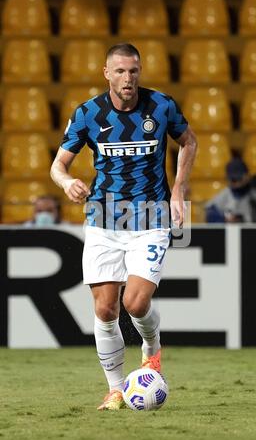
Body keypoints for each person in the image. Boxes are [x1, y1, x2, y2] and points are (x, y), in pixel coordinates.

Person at [50, 43, 197, 410]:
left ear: (140, 71)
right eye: (120, 71)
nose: (127, 78)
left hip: (151, 215)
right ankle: (116, 389)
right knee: (105, 310)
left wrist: (178, 189)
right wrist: (67, 183)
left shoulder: (161, 106)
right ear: (107, 73)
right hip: (103, 218)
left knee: (135, 301)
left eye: (133, 71)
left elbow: (189, 141)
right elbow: (58, 166)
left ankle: (152, 349)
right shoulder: (88, 114)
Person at [205, 157, 256, 223]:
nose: (236, 182)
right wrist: (224, 219)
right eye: (233, 179)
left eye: (239, 178)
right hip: (233, 233)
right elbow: (210, 214)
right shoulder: (225, 194)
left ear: (247, 176)